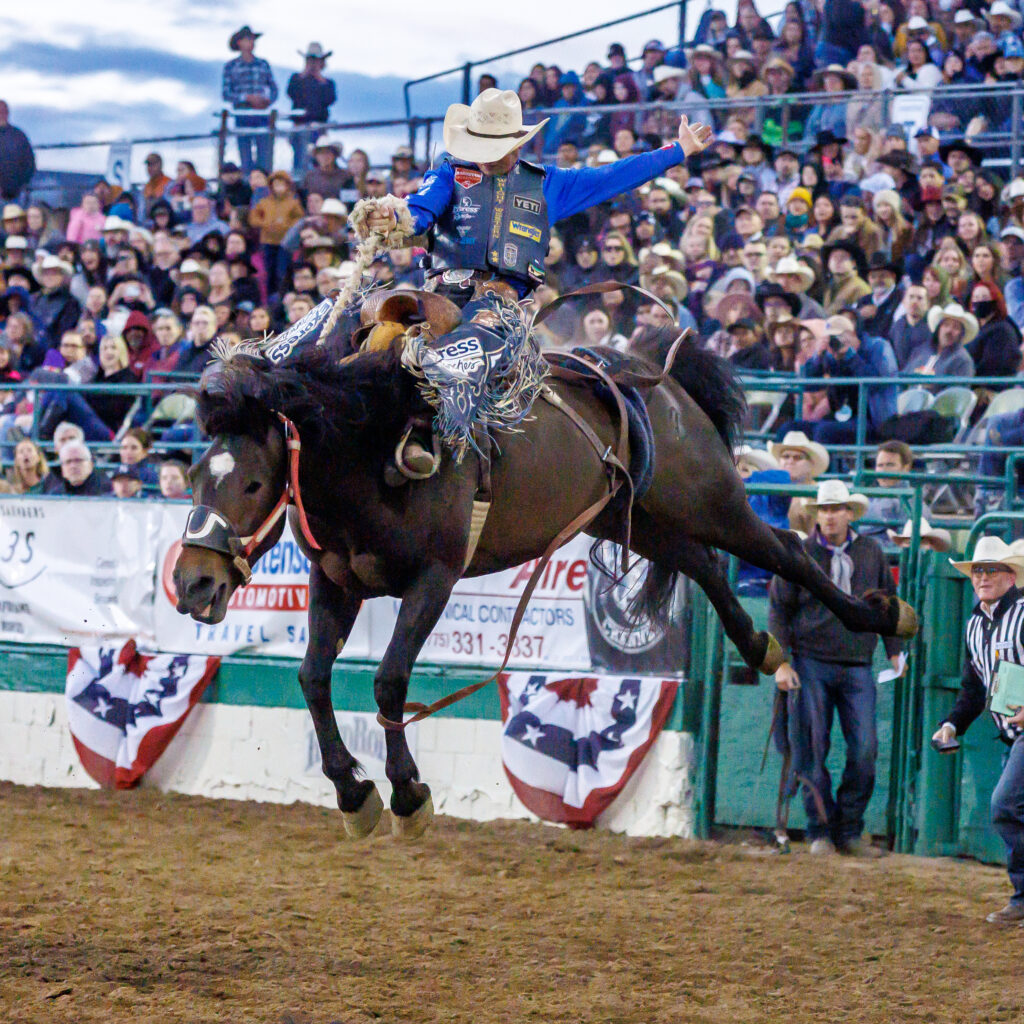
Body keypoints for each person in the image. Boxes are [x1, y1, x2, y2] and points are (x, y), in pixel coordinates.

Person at [361, 89, 712, 304]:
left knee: (481, 339)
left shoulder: (548, 183)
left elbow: (613, 177)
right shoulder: (448, 174)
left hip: (505, 298)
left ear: (516, 146)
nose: (483, 156)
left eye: (492, 147)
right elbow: (420, 211)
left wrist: (676, 150)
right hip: (444, 289)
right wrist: (393, 218)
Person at [770, 479, 904, 857]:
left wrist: (895, 649)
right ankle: (821, 831)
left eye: (836, 509)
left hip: (857, 662)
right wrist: (781, 663)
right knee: (812, 749)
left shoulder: (871, 552)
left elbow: (886, 603)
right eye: (824, 510)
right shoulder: (799, 553)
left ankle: (846, 829)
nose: (829, 516)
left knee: (864, 749)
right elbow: (779, 609)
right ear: (817, 514)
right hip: (810, 661)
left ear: (849, 513)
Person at [933, 537, 1024, 924]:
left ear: (1010, 575)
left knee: (1004, 804)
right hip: (1012, 735)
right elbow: (974, 688)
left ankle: (1022, 897)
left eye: (991, 569)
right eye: (978, 571)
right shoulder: (975, 625)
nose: (983, 576)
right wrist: (952, 724)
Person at [222, 26, 278, 174]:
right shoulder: (231, 66)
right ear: (240, 43)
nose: (251, 42)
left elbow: (274, 89)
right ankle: (248, 184)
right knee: (245, 158)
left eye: (253, 40)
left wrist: (266, 100)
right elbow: (226, 93)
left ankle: (265, 185)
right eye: (248, 39)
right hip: (242, 114)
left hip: (262, 115)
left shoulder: (263, 64)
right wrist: (246, 98)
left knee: (265, 156)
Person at [287, 43, 337, 175]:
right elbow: (291, 93)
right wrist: (305, 74)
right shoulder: (297, 79)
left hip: (319, 128)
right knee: (299, 160)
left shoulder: (327, 83)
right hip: (300, 126)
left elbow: (330, 99)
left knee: (319, 159)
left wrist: (319, 78)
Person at [860, 440, 913, 537]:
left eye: (890, 465)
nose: (883, 471)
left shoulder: (912, 501)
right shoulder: (869, 496)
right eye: (880, 465)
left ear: (906, 468)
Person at [42, 441, 112, 496]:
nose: (73, 466)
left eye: (78, 460)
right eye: (68, 462)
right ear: (62, 469)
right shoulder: (55, 496)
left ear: (91, 464)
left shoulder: (107, 491)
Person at [0, 101, 35, 201]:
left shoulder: (18, 136)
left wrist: (22, 185)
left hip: (17, 193)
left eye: (3, 111)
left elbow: (30, 163)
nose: (1, 114)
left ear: (7, 113)